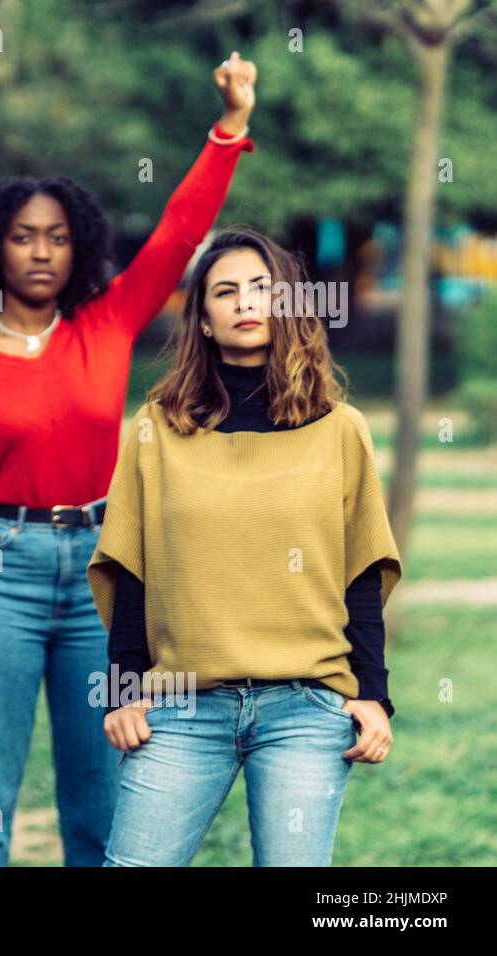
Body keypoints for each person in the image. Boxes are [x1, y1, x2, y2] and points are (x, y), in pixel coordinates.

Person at [0, 53, 259, 866]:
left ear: (80, 249)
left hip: (98, 574)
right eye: (22, 237)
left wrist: (230, 128)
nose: (41, 252)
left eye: (58, 237)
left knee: (102, 791)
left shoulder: (107, 324)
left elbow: (182, 231)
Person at [87, 227, 402, 867]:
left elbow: (361, 575)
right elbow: (131, 568)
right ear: (201, 320)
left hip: (307, 706)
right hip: (180, 704)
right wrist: (124, 690)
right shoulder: (157, 429)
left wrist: (373, 693)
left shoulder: (342, 430)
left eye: (261, 288)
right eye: (225, 292)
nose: (244, 302)